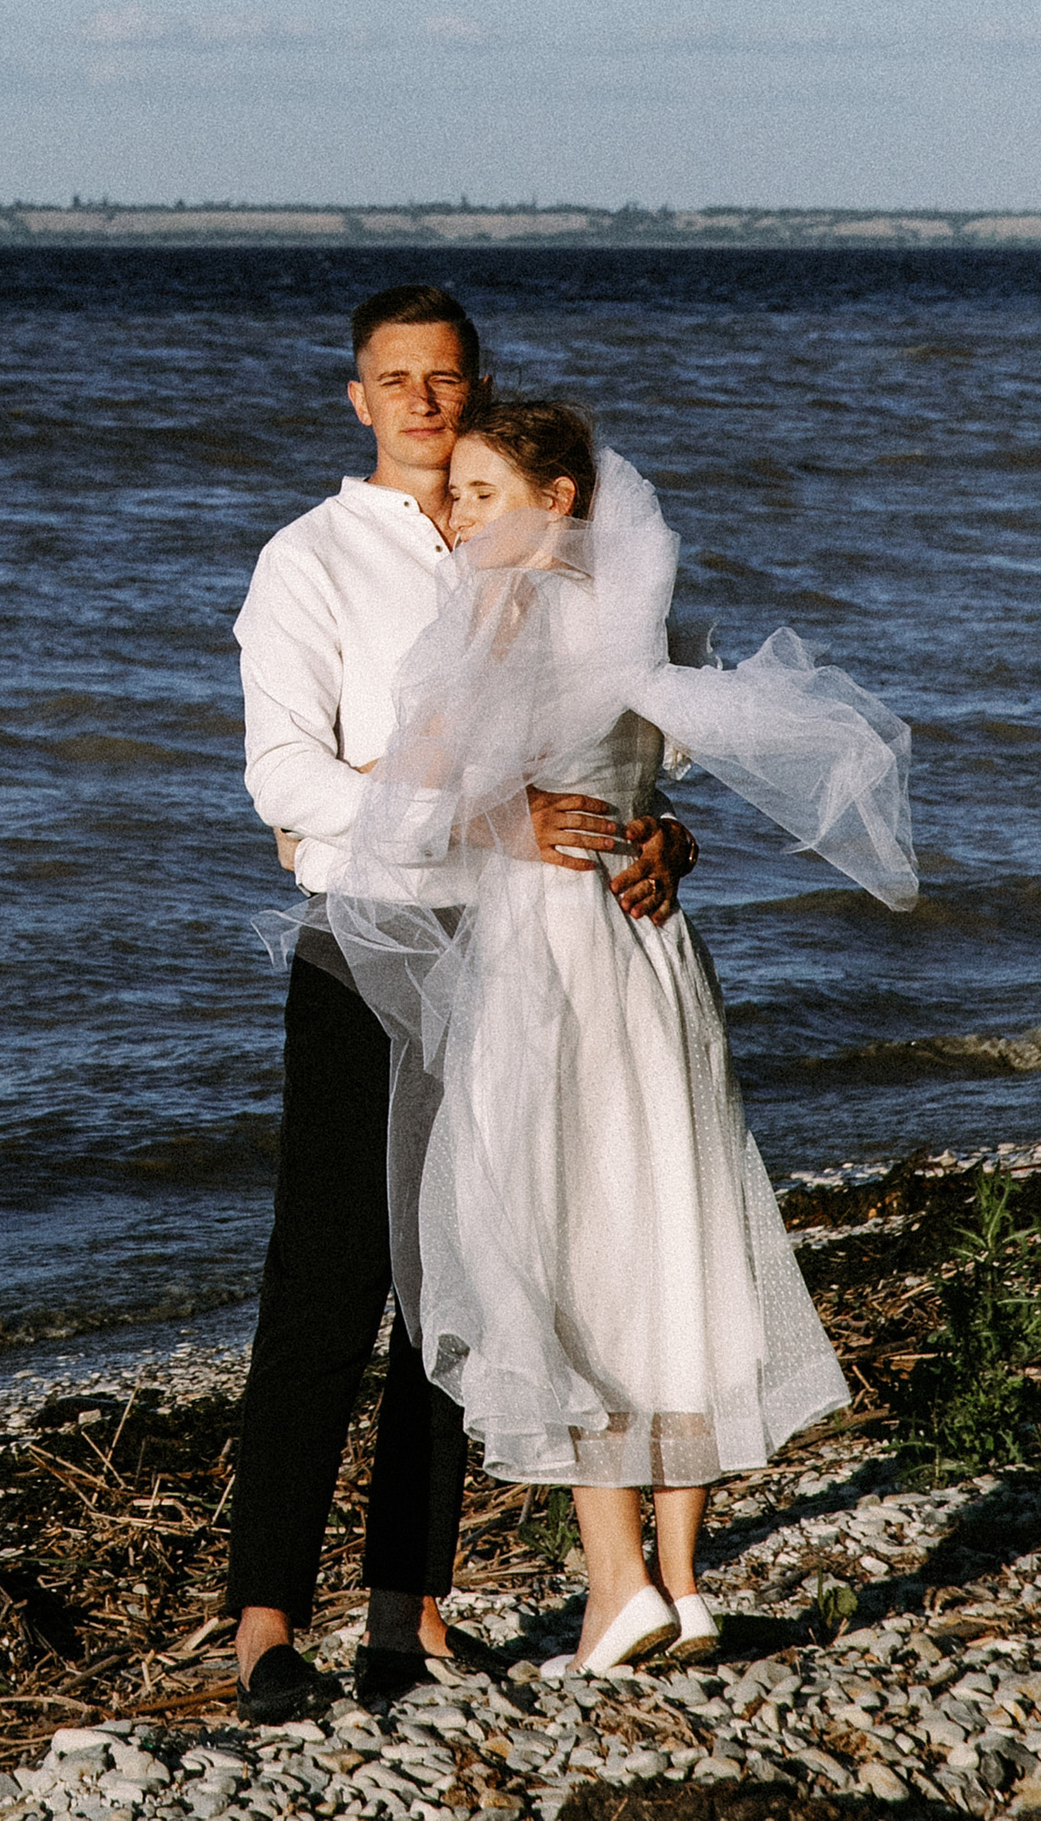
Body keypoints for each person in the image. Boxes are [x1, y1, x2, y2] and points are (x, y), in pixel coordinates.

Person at [329, 395, 915, 1674]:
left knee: (563, 1244)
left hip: (544, 955)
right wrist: (665, 835)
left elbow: (414, 807)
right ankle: (686, 1586)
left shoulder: (498, 617)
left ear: (557, 503)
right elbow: (661, 773)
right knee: (669, 1228)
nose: (454, 518)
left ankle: (615, 1590)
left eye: (479, 494)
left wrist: (476, 806)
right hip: (649, 951)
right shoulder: (638, 628)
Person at [225, 290, 697, 1718]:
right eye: (396, 380)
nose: (423, 402)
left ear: (477, 389)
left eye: (444, 378)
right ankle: (263, 1626)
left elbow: (645, 728)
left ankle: (409, 1613)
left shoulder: (554, 540)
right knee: (328, 1278)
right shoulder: (312, 560)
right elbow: (284, 778)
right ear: (357, 398)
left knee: (470, 1277)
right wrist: (472, 820)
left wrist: (660, 831)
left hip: (533, 954)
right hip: (372, 943)